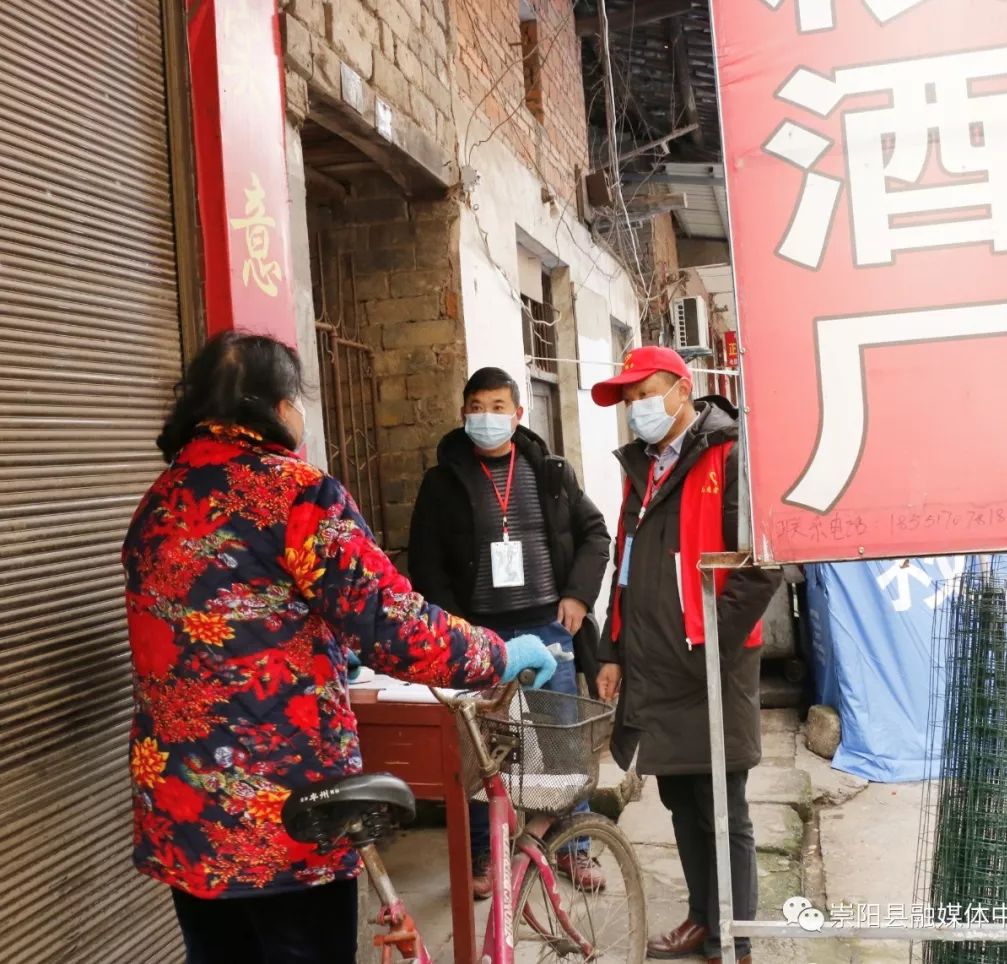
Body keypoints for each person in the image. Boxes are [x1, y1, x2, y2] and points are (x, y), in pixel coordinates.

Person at [122, 333, 557, 964]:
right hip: (286, 815)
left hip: (184, 811)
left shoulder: (159, 503)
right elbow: (395, 627)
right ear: (277, 406)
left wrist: (317, 641)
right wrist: (499, 655)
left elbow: (223, 619)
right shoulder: (295, 494)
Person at [590, 346, 780, 964]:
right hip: (653, 660)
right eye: (628, 399)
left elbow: (762, 564)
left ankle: (735, 937)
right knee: (678, 797)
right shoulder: (640, 468)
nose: (636, 408)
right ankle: (703, 918)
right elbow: (624, 565)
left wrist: (712, 645)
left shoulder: (729, 454)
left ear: (681, 388)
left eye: (645, 393)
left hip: (711, 661)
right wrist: (612, 648)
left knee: (721, 805)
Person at [408, 366, 611, 899]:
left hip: (548, 628)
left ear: (518, 414)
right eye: (477, 407)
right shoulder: (442, 483)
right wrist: (458, 629)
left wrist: (577, 596)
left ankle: (572, 844)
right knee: (481, 750)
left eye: (498, 407)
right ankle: (485, 851)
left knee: (559, 740)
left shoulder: (550, 472)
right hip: (481, 639)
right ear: (463, 414)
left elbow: (595, 534)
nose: (487, 417)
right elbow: (426, 565)